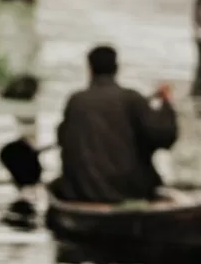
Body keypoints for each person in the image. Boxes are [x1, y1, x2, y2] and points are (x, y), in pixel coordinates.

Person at [54, 44, 178, 204]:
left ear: (89, 69)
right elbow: (164, 136)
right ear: (116, 68)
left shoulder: (76, 101)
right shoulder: (132, 99)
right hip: (130, 192)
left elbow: (62, 138)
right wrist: (166, 103)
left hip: (81, 192)